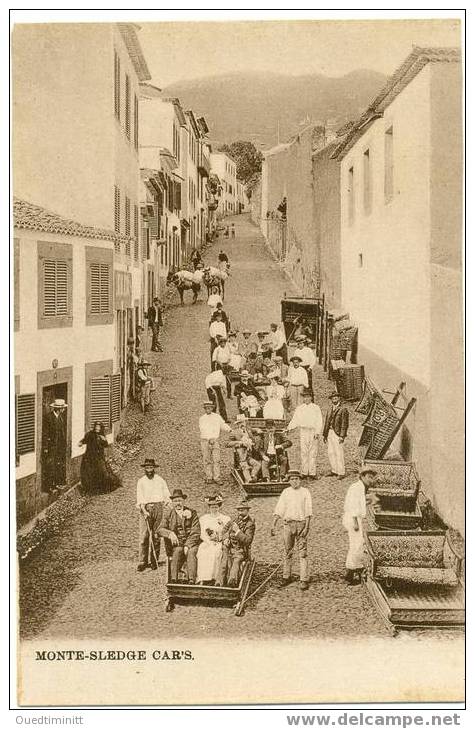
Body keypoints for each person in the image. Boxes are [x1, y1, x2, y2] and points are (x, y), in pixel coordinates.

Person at [271, 471, 312, 590]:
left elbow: (308, 511)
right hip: (288, 525)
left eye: (297, 479)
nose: (295, 481)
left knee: (302, 553)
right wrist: (273, 524)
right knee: (287, 551)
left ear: (300, 480)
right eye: (292, 479)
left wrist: (307, 527)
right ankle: (286, 576)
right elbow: (279, 509)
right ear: (289, 480)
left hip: (301, 524)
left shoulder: (305, 492)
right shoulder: (286, 492)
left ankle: (304, 578)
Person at [342, 467, 377, 584]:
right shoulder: (357, 488)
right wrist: (355, 522)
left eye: (372, 478)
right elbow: (352, 505)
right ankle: (350, 573)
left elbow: (359, 502)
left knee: (357, 543)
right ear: (362, 477)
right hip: (353, 518)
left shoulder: (361, 487)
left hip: (355, 517)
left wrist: (369, 500)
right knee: (356, 545)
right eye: (369, 477)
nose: (371, 480)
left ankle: (354, 568)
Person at [136, 458, 171, 572]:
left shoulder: (160, 480)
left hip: (158, 508)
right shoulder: (141, 481)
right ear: (144, 469)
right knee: (144, 535)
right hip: (145, 508)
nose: (149, 470)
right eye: (147, 468)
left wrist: (166, 504)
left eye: (151, 467)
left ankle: (154, 560)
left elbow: (167, 495)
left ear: (154, 468)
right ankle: (143, 561)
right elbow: (140, 497)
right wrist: (144, 510)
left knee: (156, 535)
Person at [159, 488, 201, 583]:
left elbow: (196, 531)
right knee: (177, 551)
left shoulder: (192, 513)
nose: (178, 503)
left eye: (180, 500)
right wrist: (170, 533)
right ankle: (173, 580)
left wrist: (188, 545)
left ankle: (191, 580)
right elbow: (160, 530)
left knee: (191, 552)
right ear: (172, 502)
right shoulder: (168, 514)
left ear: (184, 501)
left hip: (192, 543)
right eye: (175, 501)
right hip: (178, 544)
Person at [286, 389, 323, 480]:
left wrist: (317, 432)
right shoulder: (300, 408)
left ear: (311, 397)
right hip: (303, 431)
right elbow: (295, 420)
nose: (306, 399)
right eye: (305, 397)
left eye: (308, 397)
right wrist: (288, 428)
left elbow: (319, 421)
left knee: (313, 452)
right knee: (304, 451)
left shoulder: (316, 408)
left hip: (313, 431)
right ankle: (304, 472)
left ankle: (312, 472)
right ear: (303, 398)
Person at [217, 500, 255, 587]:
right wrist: (226, 538)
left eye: (242, 510)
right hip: (229, 547)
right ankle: (219, 582)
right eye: (239, 510)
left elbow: (248, 541)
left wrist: (237, 531)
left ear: (247, 511)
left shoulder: (250, 524)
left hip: (240, 549)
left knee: (236, 561)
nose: (240, 512)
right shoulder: (234, 520)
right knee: (224, 560)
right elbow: (223, 531)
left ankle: (232, 582)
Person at [78, 421, 121, 495]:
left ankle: (100, 488)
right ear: (94, 427)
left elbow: (106, 445)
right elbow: (85, 440)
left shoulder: (102, 436)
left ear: (101, 428)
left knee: (102, 471)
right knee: (89, 472)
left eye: (99, 427)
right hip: (89, 456)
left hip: (99, 457)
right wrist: (81, 442)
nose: (97, 428)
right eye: (96, 427)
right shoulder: (90, 434)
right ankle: (89, 489)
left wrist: (104, 439)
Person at [196, 493, 231, 583]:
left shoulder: (225, 518)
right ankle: (203, 578)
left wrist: (219, 538)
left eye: (216, 506)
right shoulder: (204, 518)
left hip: (219, 542)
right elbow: (202, 534)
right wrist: (209, 541)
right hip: (207, 542)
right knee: (202, 552)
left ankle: (214, 577)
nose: (214, 509)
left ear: (219, 507)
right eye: (212, 507)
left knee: (216, 552)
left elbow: (227, 532)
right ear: (209, 507)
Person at [199, 401, 231, 484]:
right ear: (204, 409)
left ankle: (217, 477)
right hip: (205, 441)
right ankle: (209, 477)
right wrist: (209, 438)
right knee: (206, 459)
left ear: (212, 408)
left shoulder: (217, 417)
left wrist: (230, 430)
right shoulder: (202, 418)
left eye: (209, 407)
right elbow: (203, 429)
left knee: (216, 459)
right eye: (206, 408)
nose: (208, 409)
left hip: (215, 440)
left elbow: (222, 425)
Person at [41, 398, 68, 493]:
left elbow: (62, 432)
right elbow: (45, 433)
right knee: (50, 466)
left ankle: (55, 484)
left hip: (59, 447)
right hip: (50, 447)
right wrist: (45, 447)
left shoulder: (60, 417)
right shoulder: (49, 417)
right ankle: (48, 487)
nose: (64, 409)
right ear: (58, 409)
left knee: (57, 465)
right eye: (63, 408)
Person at [322, 391, 349, 479]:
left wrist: (342, 436)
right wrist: (325, 435)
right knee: (331, 452)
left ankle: (341, 472)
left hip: (337, 433)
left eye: (336, 398)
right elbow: (326, 422)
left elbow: (344, 424)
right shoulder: (330, 409)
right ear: (331, 400)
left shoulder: (343, 409)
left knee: (339, 452)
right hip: (330, 432)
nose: (334, 399)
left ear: (339, 398)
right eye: (333, 398)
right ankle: (334, 470)